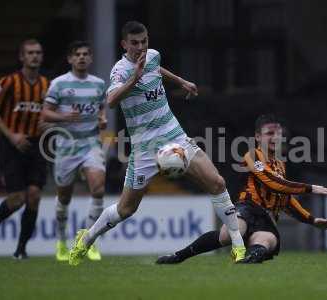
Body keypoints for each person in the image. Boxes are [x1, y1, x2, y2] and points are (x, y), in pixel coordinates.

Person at [68, 21, 246, 265]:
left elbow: (157, 68)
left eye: (144, 41)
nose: (141, 47)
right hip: (144, 147)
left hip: (173, 134)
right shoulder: (120, 70)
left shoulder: (152, 56)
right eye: (134, 43)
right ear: (124, 44)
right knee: (126, 209)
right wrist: (134, 78)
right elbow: (110, 100)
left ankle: (238, 245)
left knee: (217, 182)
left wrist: (181, 81)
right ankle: (86, 239)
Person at [156, 114, 327, 264]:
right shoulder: (252, 155)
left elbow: (285, 198)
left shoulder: (280, 164)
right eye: (269, 133)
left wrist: (312, 220)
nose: (275, 137)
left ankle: (249, 258)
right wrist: (310, 188)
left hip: (268, 218)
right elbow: (273, 183)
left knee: (264, 243)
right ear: (258, 137)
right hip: (248, 207)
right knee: (229, 234)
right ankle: (178, 256)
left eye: (277, 133)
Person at [0, 39, 49, 259]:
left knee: (34, 195)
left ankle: (21, 250)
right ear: (22, 57)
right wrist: (11, 135)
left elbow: (51, 115)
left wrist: (50, 124)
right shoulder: (9, 82)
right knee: (18, 199)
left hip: (37, 145)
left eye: (38, 53)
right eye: (30, 53)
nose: (34, 56)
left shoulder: (47, 85)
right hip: (12, 146)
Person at [41, 41, 107, 261]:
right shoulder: (59, 84)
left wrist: (102, 119)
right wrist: (63, 117)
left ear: (90, 58)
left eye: (85, 54)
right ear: (70, 59)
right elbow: (46, 114)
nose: (81, 57)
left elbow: (101, 109)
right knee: (64, 198)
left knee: (98, 189)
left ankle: (87, 241)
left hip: (90, 142)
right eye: (77, 54)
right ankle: (61, 241)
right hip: (66, 145)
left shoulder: (98, 84)